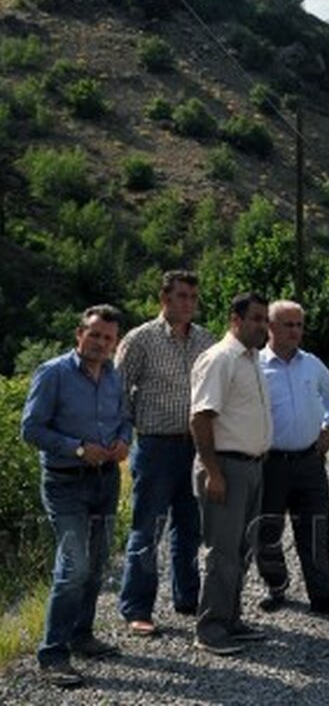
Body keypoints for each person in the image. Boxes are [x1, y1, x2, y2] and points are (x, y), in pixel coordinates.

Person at [20, 305, 131, 688]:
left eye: (108, 338)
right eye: (94, 334)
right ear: (79, 334)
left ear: (115, 343)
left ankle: (81, 636)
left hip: (105, 480)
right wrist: (79, 448)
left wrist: (124, 441)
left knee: (97, 562)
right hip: (65, 481)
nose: (100, 343)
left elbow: (125, 419)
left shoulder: (115, 376)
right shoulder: (53, 373)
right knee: (74, 567)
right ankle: (53, 655)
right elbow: (31, 429)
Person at [117, 270, 215, 638]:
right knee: (147, 529)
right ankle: (137, 608)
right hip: (155, 447)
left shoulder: (205, 340)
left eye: (193, 296)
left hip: (196, 446)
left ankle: (187, 598)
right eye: (182, 296)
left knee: (190, 529)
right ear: (165, 299)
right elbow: (118, 392)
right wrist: (127, 436)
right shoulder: (140, 339)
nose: (189, 303)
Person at [255, 300, 329, 617]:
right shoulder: (255, 365)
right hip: (269, 463)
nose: (295, 331)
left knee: (317, 529)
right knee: (266, 530)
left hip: (309, 461)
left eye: (299, 325)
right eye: (288, 325)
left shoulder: (312, 364)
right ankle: (276, 585)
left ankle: (324, 597)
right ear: (270, 327)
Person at [189, 292, 273, 656]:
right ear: (235, 320)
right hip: (225, 467)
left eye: (265, 319)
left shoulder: (251, 359)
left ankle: (231, 620)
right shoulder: (220, 358)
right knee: (222, 552)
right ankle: (210, 629)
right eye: (255, 318)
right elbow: (200, 418)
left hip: (251, 467)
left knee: (242, 548)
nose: (262, 326)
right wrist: (213, 472)